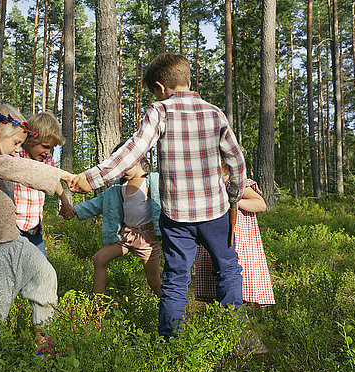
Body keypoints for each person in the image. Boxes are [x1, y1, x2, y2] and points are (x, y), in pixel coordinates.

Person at [69, 53, 247, 340]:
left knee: (176, 280)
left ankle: (170, 342)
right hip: (216, 211)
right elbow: (236, 162)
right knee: (228, 269)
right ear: (187, 80)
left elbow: (131, 153)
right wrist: (234, 197)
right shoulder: (215, 113)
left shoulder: (160, 111)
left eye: (155, 92)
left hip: (177, 217)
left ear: (161, 87)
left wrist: (92, 179)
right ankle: (235, 337)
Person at [0, 104, 75, 330]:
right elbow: (18, 167)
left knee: (45, 276)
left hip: (14, 242)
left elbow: (19, 167)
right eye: (16, 143)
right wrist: (65, 175)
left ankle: (45, 345)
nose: (16, 149)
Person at [68, 142, 163, 297]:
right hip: (125, 236)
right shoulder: (118, 187)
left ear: (137, 159)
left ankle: (173, 313)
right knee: (98, 259)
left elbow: (167, 201)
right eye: (119, 167)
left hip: (147, 239)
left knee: (154, 281)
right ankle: (98, 304)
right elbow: (97, 203)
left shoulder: (151, 182)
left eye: (125, 166)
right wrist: (74, 211)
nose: (122, 171)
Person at [195, 162, 275, 308]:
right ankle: (224, 326)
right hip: (212, 239)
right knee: (214, 294)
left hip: (236, 240)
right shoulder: (208, 183)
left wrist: (234, 203)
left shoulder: (234, 183)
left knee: (236, 287)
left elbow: (261, 204)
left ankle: (237, 324)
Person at [13, 111, 75, 257]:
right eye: (45, 146)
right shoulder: (15, 155)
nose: (48, 152)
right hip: (14, 229)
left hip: (35, 229)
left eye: (52, 148)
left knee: (42, 273)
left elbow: (53, 178)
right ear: (30, 140)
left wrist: (64, 202)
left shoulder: (46, 159)